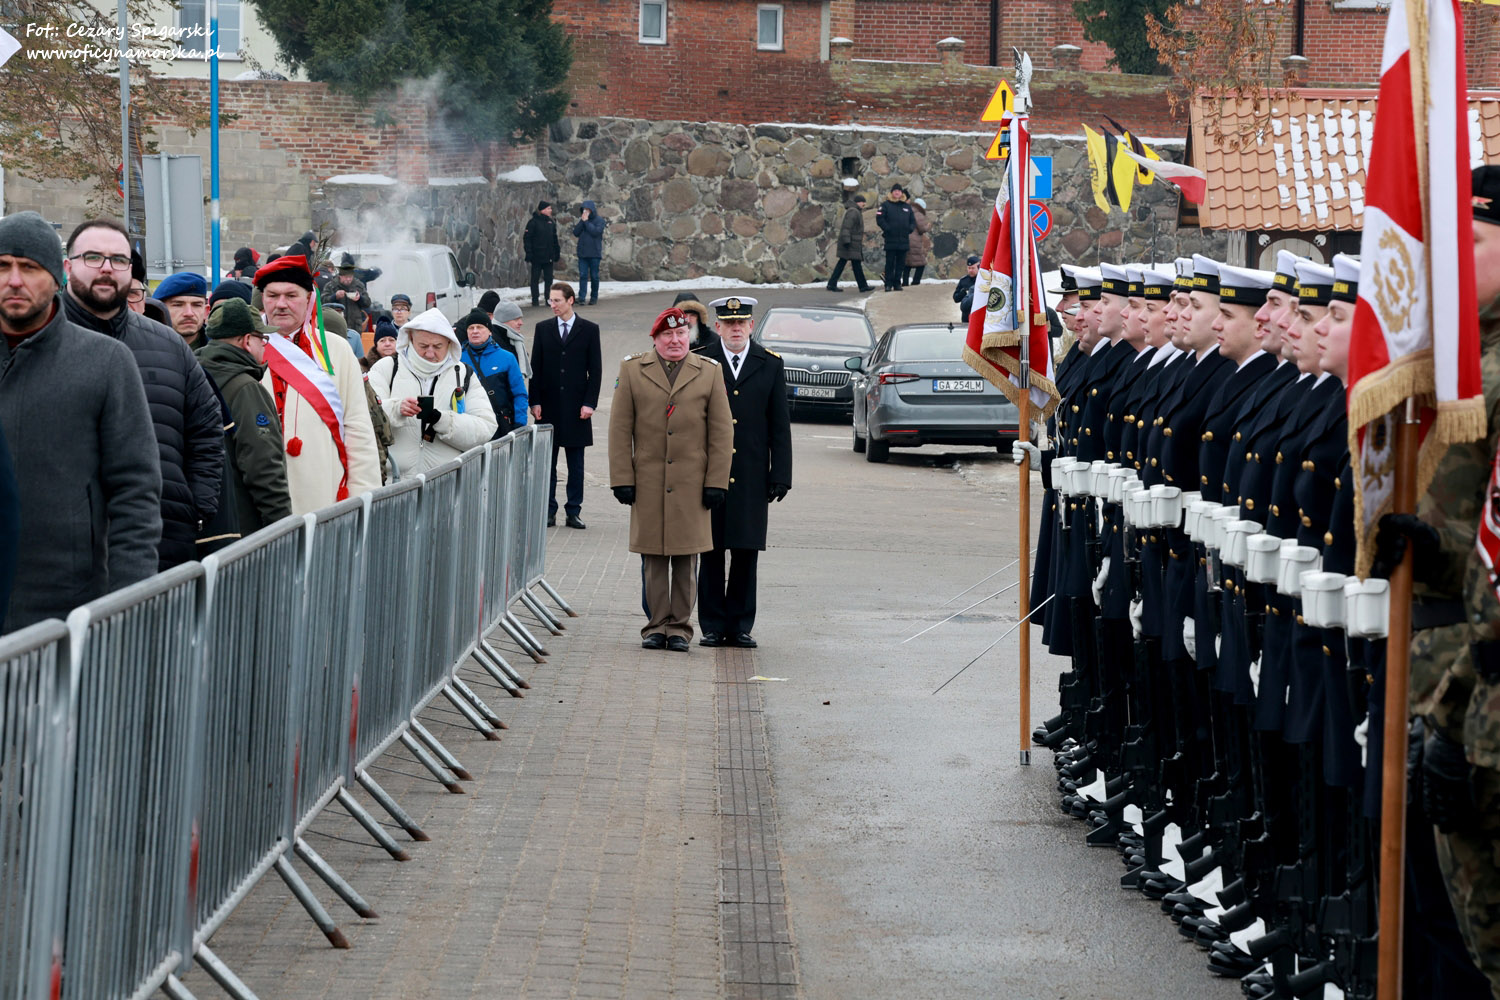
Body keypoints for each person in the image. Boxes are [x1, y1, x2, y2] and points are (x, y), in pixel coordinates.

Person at [0, 211, 162, 633]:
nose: (14, 280)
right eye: (2, 266)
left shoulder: (105, 362)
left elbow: (135, 491)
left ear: (57, 275)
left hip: (64, 610)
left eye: (29, 268)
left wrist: (129, 605)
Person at [62, 218, 223, 571]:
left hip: (163, 544)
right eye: (93, 257)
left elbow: (207, 430)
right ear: (68, 266)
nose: (107, 268)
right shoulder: (35, 340)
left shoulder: (168, 345)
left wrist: (196, 506)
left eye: (119, 260)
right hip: (61, 553)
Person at [609, 307, 733, 651]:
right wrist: (622, 478)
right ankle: (655, 626)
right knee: (652, 556)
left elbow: (721, 433)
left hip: (692, 482)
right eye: (668, 335)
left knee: (685, 556)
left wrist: (716, 481)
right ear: (656, 338)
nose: (676, 340)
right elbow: (619, 429)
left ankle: (679, 628)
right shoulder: (632, 370)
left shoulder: (709, 371)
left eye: (681, 334)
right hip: (648, 479)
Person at [693, 296, 792, 648]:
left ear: (751, 326)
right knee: (711, 550)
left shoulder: (770, 363)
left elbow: (779, 424)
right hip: (710, 473)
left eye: (742, 323)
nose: (736, 329)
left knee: (746, 551)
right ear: (717, 326)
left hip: (751, 473)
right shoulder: (702, 360)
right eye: (729, 323)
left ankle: (740, 625)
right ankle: (711, 624)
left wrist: (780, 474)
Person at [253, 254, 383, 513]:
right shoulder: (247, 346)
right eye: (272, 295)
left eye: (291, 295)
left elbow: (357, 427)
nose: (281, 304)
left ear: (309, 299)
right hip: (259, 492)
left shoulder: (336, 350)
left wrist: (362, 498)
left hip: (322, 491)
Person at [195, 298, 293, 537]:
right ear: (247, 341)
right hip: (244, 531)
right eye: (263, 339)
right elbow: (263, 467)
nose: (264, 347)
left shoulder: (193, 376)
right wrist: (283, 528)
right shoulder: (246, 389)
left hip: (203, 526)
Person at [368, 307, 497, 477]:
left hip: (446, 482)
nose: (430, 353)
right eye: (423, 346)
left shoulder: (463, 374)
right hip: (394, 483)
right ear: (410, 338)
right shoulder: (387, 368)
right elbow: (364, 413)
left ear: (449, 343)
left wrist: (443, 421)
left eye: (437, 346)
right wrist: (396, 409)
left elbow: (486, 427)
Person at [529, 281, 602, 528]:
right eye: (551, 300)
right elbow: (536, 367)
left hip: (576, 408)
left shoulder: (589, 330)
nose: (553, 305)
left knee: (576, 465)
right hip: (548, 407)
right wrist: (534, 401)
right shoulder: (543, 328)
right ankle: (548, 510)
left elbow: (596, 370)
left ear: (570, 300)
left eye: (557, 300)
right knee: (547, 464)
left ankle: (573, 511)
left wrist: (589, 403)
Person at [458, 307, 528, 436]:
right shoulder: (458, 359)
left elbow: (519, 394)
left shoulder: (506, 358)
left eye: (480, 327)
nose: (475, 331)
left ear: (490, 331)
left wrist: (520, 424)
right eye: (471, 328)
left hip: (501, 426)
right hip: (470, 427)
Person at [476, 291, 532, 376]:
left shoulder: (512, 337)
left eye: (520, 318)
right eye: (516, 319)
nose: (521, 323)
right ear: (504, 320)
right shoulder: (493, 339)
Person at [827, 194, 871, 293]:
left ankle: (832, 284)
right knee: (853, 264)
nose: (864, 204)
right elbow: (847, 227)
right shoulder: (853, 212)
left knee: (849, 263)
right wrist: (847, 240)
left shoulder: (855, 211)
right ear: (857, 202)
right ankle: (862, 286)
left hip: (851, 243)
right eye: (862, 202)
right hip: (850, 243)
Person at [875, 183, 915, 292]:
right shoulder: (885, 205)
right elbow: (879, 218)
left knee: (900, 264)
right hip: (890, 239)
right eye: (895, 191)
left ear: (901, 193)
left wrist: (909, 229)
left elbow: (912, 221)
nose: (897, 192)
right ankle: (888, 284)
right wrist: (887, 228)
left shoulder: (907, 207)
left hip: (903, 240)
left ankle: (897, 283)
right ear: (892, 193)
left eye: (899, 191)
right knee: (890, 263)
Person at [155, 271, 210, 349]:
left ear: (206, 311)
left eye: (197, 305)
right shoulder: (141, 348)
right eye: (178, 305)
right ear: (160, 310)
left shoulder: (223, 351)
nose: (189, 313)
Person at [523, 201, 561, 308]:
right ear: (543, 210)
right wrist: (529, 253)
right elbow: (527, 239)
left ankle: (548, 298)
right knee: (535, 279)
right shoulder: (533, 222)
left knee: (549, 279)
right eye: (549, 208)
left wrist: (556, 252)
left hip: (549, 256)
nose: (550, 210)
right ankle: (535, 299)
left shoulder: (551, 222)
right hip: (537, 256)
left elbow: (554, 239)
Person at [322, 253, 370, 335]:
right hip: (336, 327)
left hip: (355, 327)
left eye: (350, 277)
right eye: (346, 277)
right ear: (340, 276)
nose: (348, 279)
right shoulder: (331, 285)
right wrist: (335, 297)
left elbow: (367, 302)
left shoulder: (359, 285)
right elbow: (323, 301)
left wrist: (360, 299)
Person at [573, 200, 606, 306]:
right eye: (584, 209)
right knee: (583, 275)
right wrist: (582, 222)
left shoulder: (599, 221)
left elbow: (595, 232)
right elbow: (576, 232)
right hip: (583, 253)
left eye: (587, 209)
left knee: (594, 276)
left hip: (594, 253)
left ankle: (594, 297)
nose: (585, 212)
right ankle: (582, 297)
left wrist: (586, 222)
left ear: (592, 210)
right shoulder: (582, 220)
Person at [903, 197, 932, 286]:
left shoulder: (907, 211)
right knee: (921, 263)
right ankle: (916, 282)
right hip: (914, 241)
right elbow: (921, 229)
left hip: (905, 239)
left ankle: (905, 283)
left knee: (907, 263)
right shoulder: (918, 214)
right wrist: (928, 226)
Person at [955, 254, 980, 322]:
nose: (970, 270)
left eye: (973, 268)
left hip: (979, 313)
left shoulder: (983, 280)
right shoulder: (964, 280)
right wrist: (963, 293)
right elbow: (956, 298)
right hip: (967, 315)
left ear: (978, 267)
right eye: (969, 268)